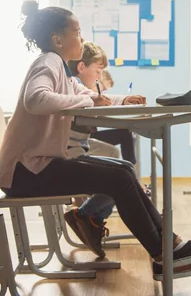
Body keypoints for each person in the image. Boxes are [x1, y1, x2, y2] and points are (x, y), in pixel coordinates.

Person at [0, 0, 191, 281]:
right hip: (25, 173)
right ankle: (163, 254)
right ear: (57, 39)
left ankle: (171, 246)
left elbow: (92, 96)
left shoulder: (61, 68)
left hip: (35, 166)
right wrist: (86, 98)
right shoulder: (48, 62)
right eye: (77, 32)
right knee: (117, 179)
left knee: (124, 169)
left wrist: (121, 99)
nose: (81, 38)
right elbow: (36, 99)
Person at [65, 41, 144, 258]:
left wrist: (125, 100)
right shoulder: (72, 88)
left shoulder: (81, 88)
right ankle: (87, 215)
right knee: (122, 175)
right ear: (82, 68)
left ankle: (92, 220)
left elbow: (103, 100)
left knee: (121, 166)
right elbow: (90, 103)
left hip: (80, 146)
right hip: (69, 152)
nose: (100, 77)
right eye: (98, 72)